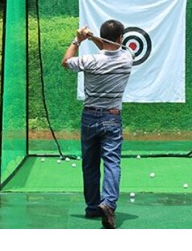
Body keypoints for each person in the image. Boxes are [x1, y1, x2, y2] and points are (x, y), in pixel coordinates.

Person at [62, 19, 135, 229]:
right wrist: (94, 37)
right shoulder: (127, 57)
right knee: (112, 162)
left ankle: (93, 207)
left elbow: (66, 61)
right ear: (121, 39)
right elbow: (108, 48)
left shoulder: (90, 60)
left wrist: (78, 39)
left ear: (103, 37)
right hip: (112, 118)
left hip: (89, 117)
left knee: (90, 163)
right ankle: (108, 204)